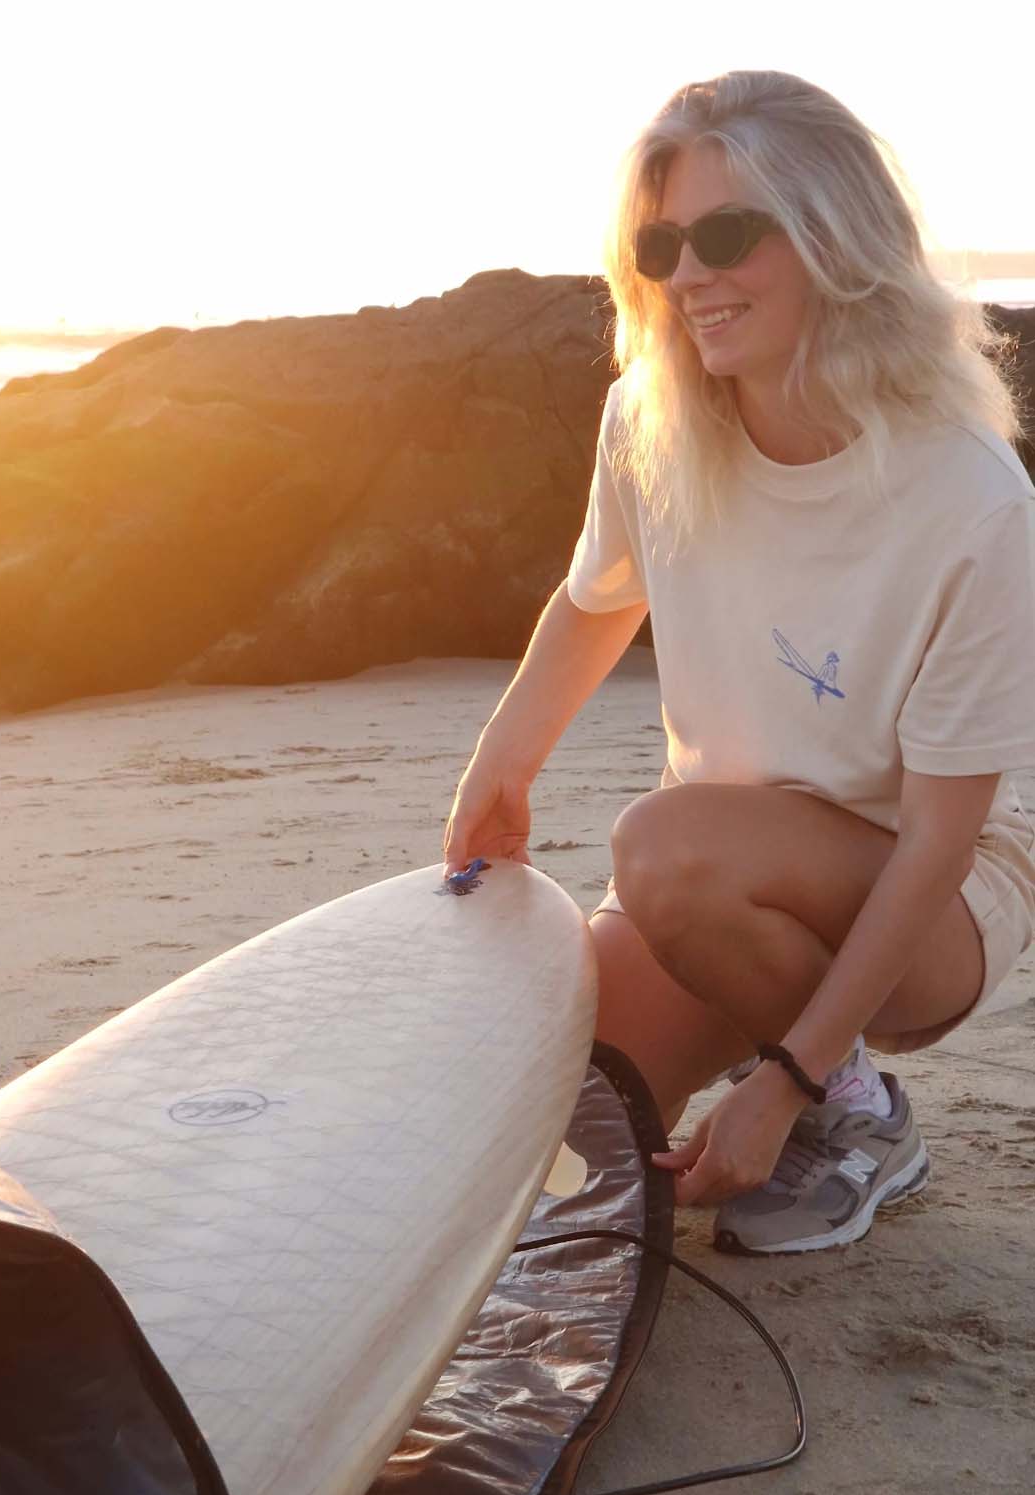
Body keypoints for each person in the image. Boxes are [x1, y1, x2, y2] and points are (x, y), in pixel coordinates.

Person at [441, 70, 1035, 1255]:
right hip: (717, 878)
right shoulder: (650, 424)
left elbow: (937, 841)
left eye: (728, 233)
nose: (689, 275)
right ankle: (793, 1047)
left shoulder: (974, 501)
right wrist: (499, 766)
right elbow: (592, 601)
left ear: (836, 234)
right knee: (551, 1126)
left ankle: (862, 1115)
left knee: (664, 850)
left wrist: (791, 1084)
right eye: (662, 245)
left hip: (939, 902)